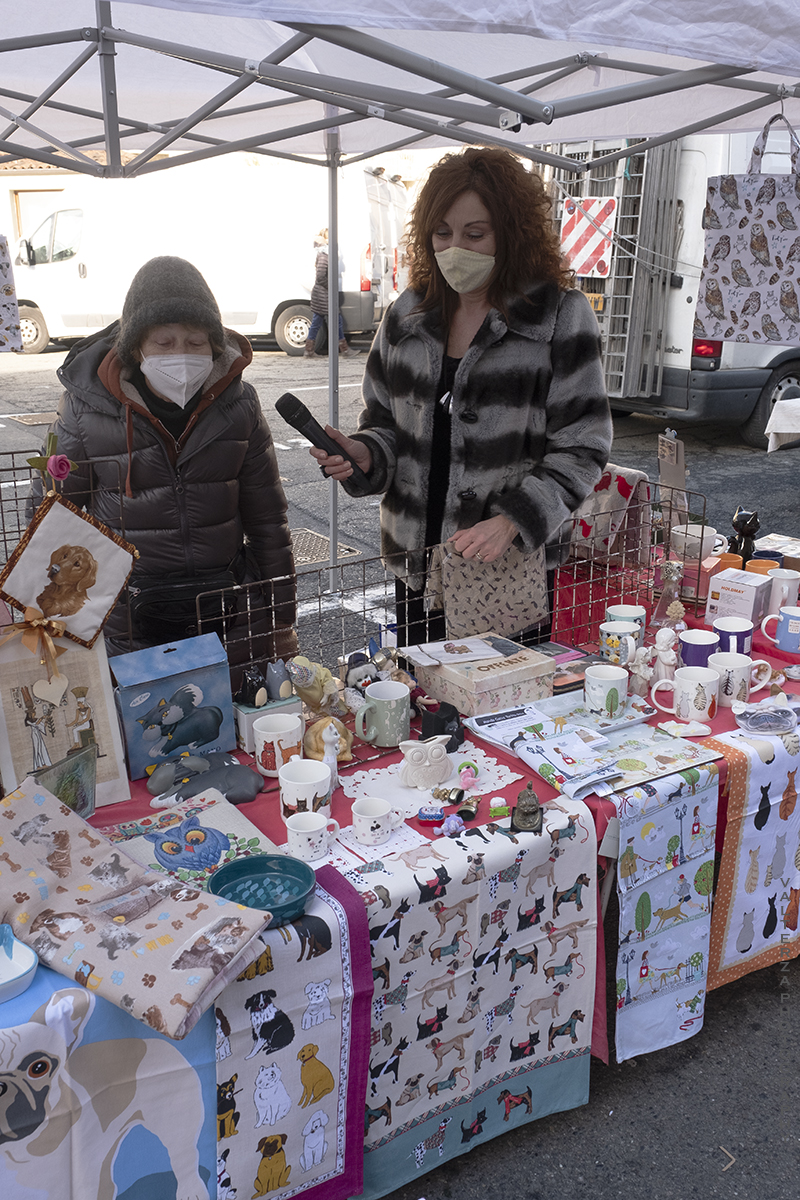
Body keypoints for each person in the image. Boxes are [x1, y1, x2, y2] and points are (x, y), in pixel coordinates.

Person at [309, 147, 613, 643]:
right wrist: (365, 454)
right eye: (442, 233)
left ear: (511, 233)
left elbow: (584, 446)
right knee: (422, 707)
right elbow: (384, 423)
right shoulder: (407, 315)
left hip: (505, 568)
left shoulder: (557, 316)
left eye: (476, 233)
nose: (456, 248)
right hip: (415, 563)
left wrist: (515, 520)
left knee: (503, 708)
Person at [30, 256, 297, 683]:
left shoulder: (240, 404)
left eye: (195, 343)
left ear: (214, 345)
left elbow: (267, 517)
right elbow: (50, 518)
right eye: (164, 342)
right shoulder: (83, 407)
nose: (182, 356)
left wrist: (280, 610)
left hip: (227, 607)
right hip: (130, 617)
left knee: (233, 723)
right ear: (136, 348)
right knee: (146, 727)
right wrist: (66, 621)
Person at [305, 231, 361, 359]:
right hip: (323, 294)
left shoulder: (323, 254)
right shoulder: (325, 255)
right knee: (337, 320)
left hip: (321, 294)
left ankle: (309, 350)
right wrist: (331, 286)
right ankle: (345, 350)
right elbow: (320, 277)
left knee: (317, 321)